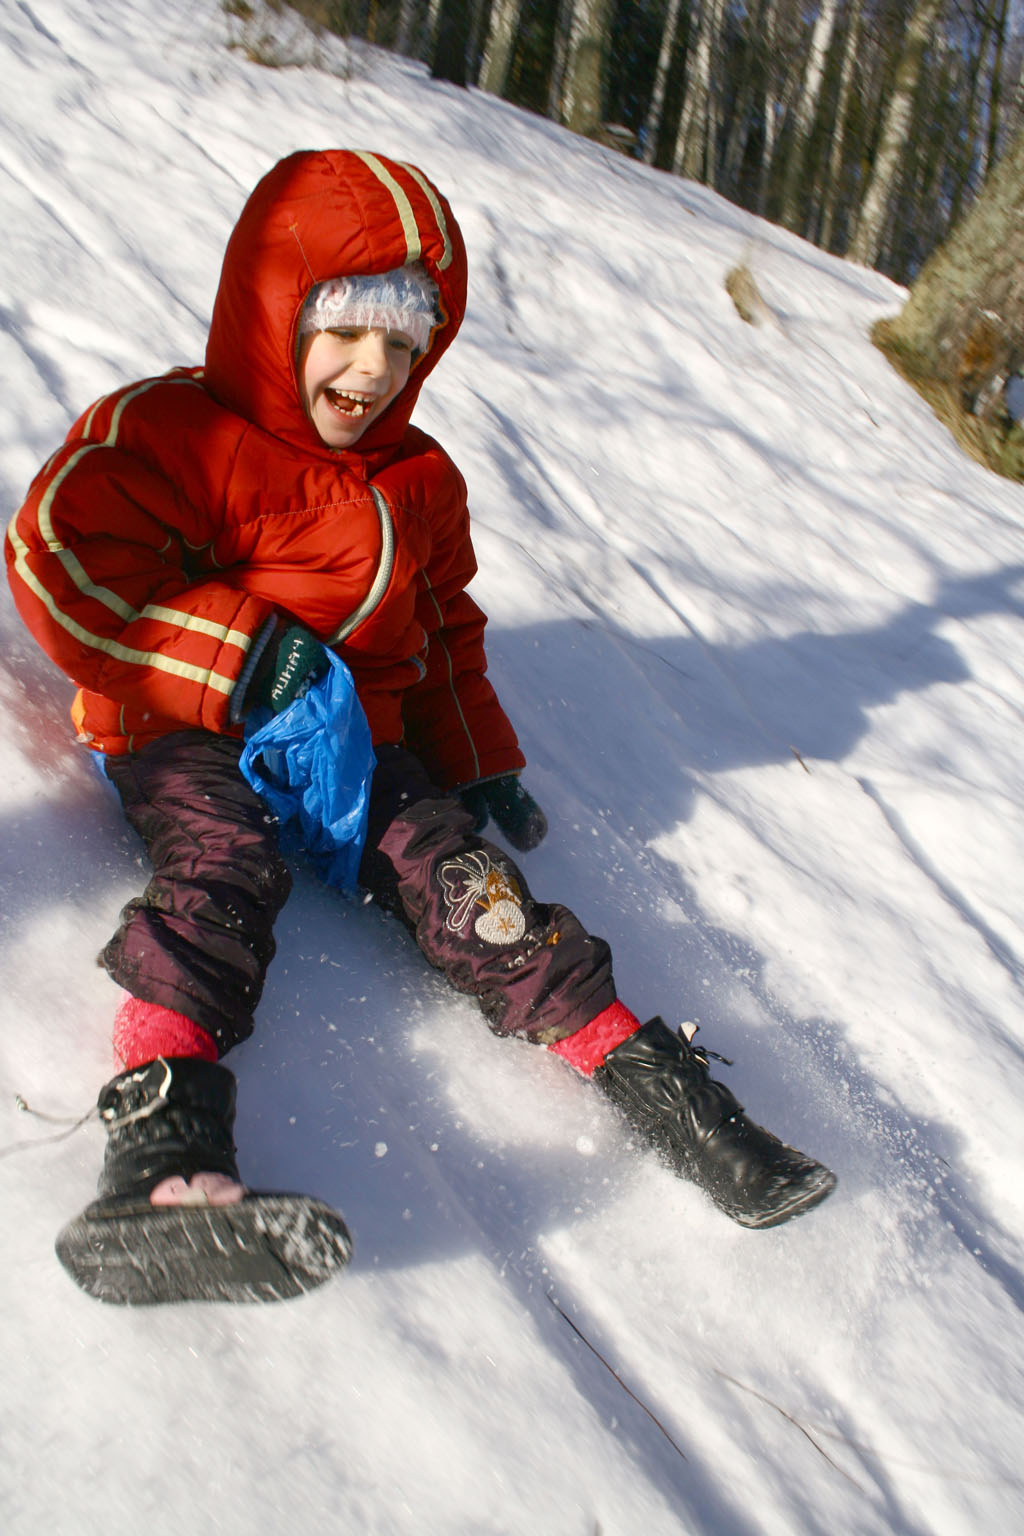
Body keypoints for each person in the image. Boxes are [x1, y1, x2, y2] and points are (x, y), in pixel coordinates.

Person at [5, 150, 835, 1304]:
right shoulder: (171, 428)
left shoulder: (420, 481)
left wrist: (478, 764)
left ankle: (669, 1097)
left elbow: (443, 630)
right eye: (346, 327)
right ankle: (163, 1147)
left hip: (354, 750)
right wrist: (241, 652)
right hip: (181, 722)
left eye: (407, 341)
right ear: (271, 309)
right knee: (223, 867)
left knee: (470, 887)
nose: (373, 367)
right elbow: (62, 561)